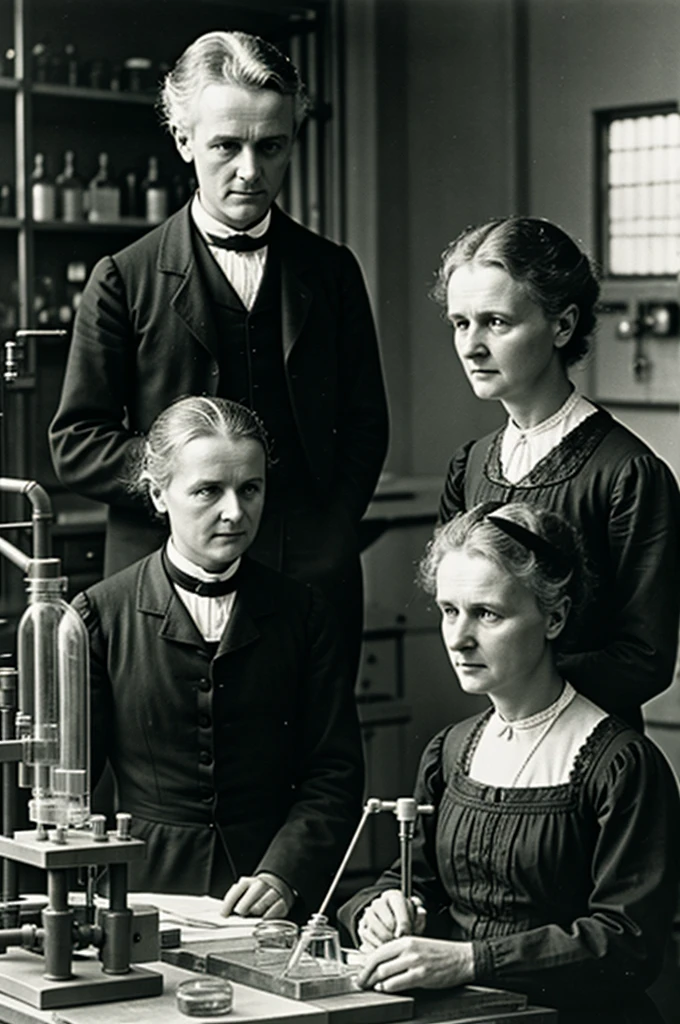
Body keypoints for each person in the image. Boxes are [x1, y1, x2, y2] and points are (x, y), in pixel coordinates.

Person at [50, 30, 388, 679]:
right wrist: (183, 487)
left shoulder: (333, 272)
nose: (250, 170)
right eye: (226, 147)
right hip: (160, 573)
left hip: (307, 573)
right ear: (183, 140)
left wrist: (330, 528)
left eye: (271, 146)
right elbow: (77, 440)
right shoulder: (124, 277)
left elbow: (366, 421)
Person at [339, 502, 680, 1024]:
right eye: (449, 610)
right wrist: (379, 909)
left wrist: (470, 960)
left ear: (555, 617)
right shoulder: (450, 753)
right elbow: (414, 881)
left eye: (487, 614)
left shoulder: (622, 767)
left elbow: (626, 944)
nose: (458, 638)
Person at [72, 396, 364, 919]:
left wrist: (283, 874)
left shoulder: (304, 614)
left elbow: (334, 772)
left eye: (250, 489)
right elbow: (68, 787)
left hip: (268, 897)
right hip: (138, 895)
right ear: (159, 494)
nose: (235, 512)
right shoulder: (100, 616)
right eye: (208, 490)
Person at [431, 216, 680, 729]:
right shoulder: (471, 466)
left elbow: (646, 658)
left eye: (496, 322)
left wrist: (526, 684)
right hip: (498, 738)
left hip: (590, 752)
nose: (472, 346)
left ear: (562, 325)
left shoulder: (626, 475)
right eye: (461, 323)